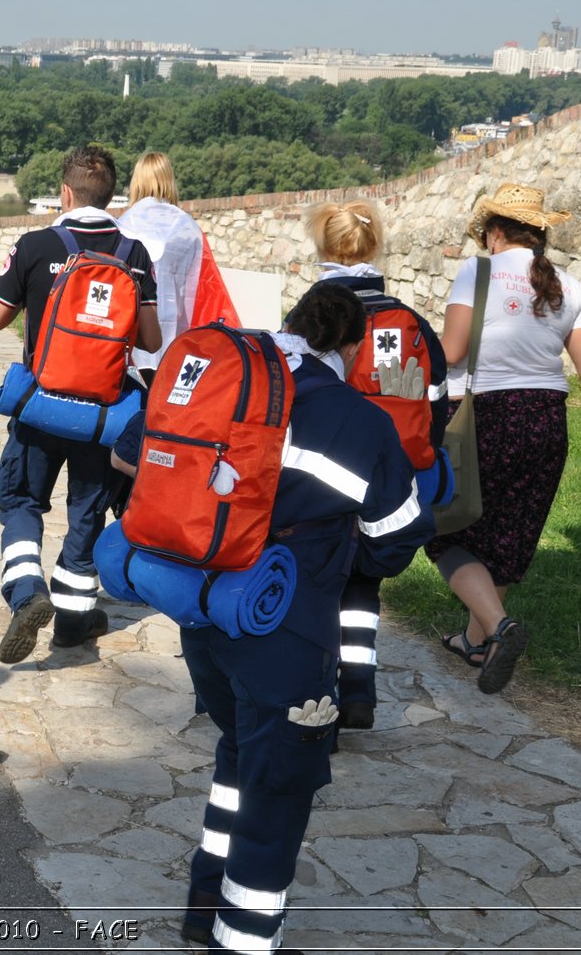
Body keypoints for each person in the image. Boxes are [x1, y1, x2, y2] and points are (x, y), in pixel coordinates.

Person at [112, 283, 430, 955]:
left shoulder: (226, 376)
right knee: (278, 792)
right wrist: (340, 553)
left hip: (203, 611)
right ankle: (245, 938)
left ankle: (206, 900)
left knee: (238, 747)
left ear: (288, 322)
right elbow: (399, 537)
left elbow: (127, 456)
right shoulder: (357, 419)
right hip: (287, 627)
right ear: (351, 346)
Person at [429, 183, 581, 693]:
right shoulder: (568, 285)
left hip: (481, 415)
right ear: (540, 233)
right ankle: (476, 641)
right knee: (506, 534)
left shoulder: (475, 273)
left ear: (496, 233)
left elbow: (453, 351)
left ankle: (499, 628)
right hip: (545, 419)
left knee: (442, 531)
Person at [0, 144, 161, 663]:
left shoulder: (35, 245)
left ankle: (25, 591)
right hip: (103, 414)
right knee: (88, 510)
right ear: (113, 197)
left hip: (41, 405)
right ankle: (74, 622)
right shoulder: (134, 254)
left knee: (20, 501)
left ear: (64, 192)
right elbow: (150, 340)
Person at [305, 198, 445, 729]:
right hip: (391, 473)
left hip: (325, 472)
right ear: (374, 246)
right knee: (363, 584)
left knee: (319, 582)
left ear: (322, 247)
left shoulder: (313, 312)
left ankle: (319, 693)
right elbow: (434, 397)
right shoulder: (406, 319)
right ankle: (359, 688)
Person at [115, 151, 237, 383]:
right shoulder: (187, 226)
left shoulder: (124, 224)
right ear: (168, 180)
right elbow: (204, 286)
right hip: (176, 331)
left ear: (137, 181)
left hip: (136, 329)